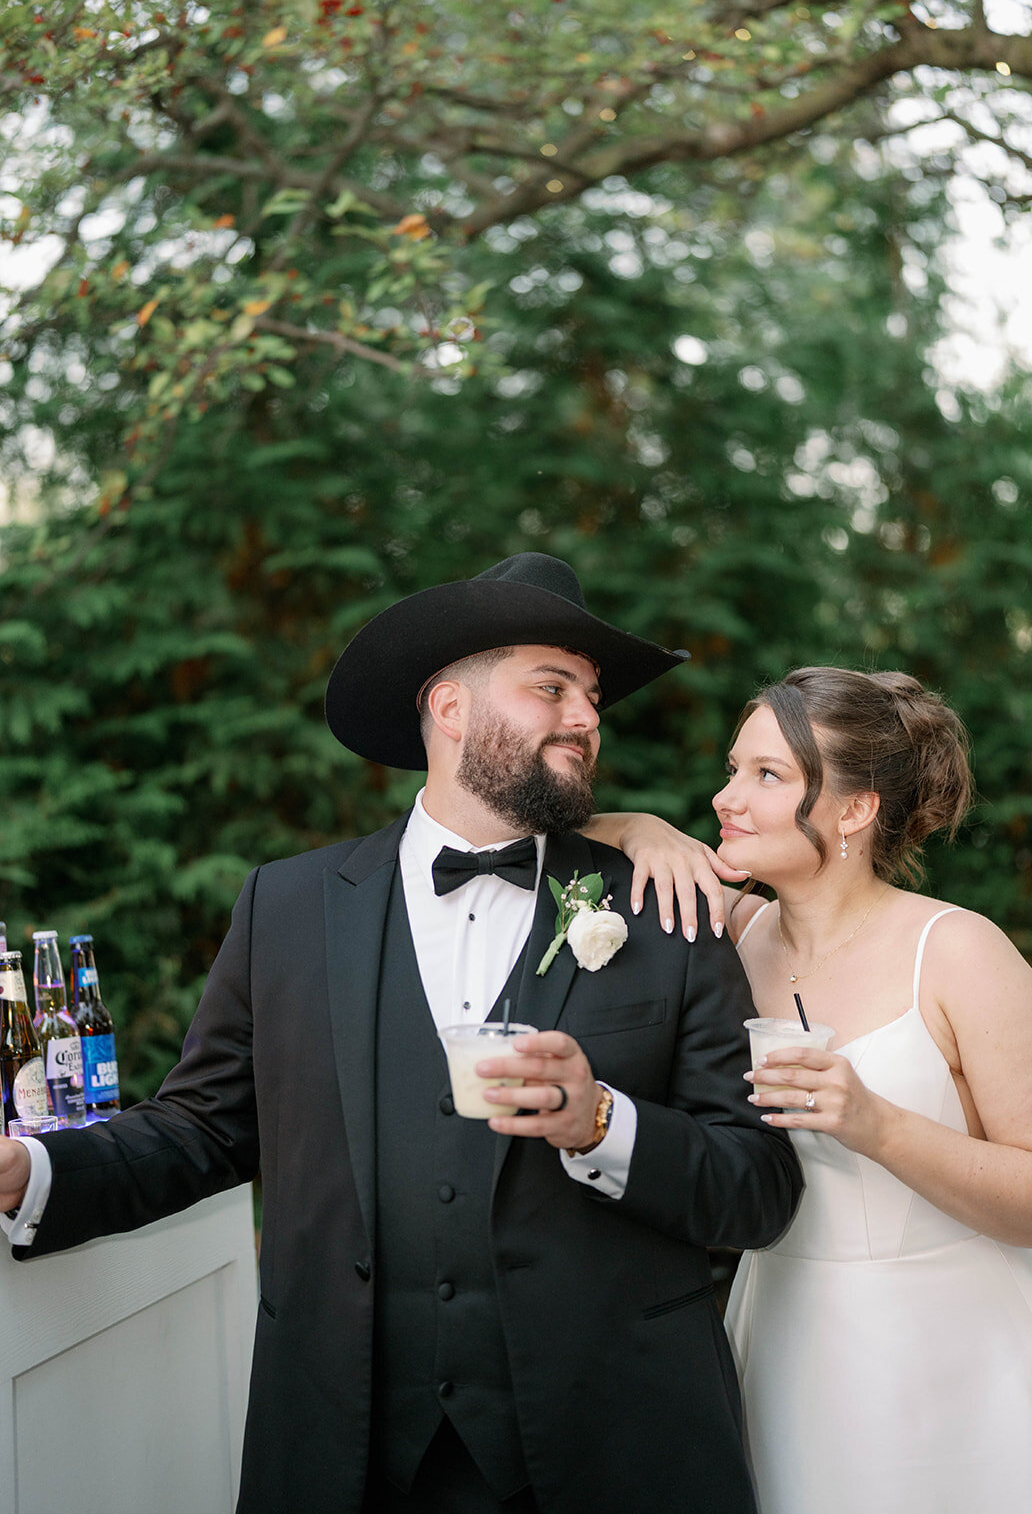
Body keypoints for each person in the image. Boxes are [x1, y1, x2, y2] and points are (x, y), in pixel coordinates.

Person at [0, 552, 802, 1514]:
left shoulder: (664, 906)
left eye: (591, 696)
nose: (587, 718)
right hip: (348, 1448)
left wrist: (601, 1123)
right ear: (450, 708)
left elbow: (757, 1189)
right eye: (552, 688)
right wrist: (35, 1175)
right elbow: (203, 1129)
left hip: (614, 1441)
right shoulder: (287, 905)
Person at [591, 666, 1032, 1514]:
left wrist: (876, 1124)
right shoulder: (722, 939)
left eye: (766, 776)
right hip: (786, 1342)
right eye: (733, 768)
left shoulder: (958, 952)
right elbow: (535, 836)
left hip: (966, 1358)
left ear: (853, 811)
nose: (725, 796)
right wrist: (639, 826)